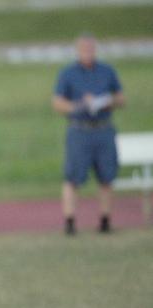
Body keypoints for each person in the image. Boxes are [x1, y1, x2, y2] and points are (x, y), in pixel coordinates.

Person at [53, 33, 125, 235]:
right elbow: (57, 103)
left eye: (91, 49)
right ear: (77, 51)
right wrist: (79, 105)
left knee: (106, 176)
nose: (88, 53)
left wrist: (107, 101)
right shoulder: (68, 73)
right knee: (72, 177)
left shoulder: (106, 71)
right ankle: (69, 221)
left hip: (103, 127)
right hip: (79, 129)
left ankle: (105, 219)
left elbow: (121, 97)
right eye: (84, 49)